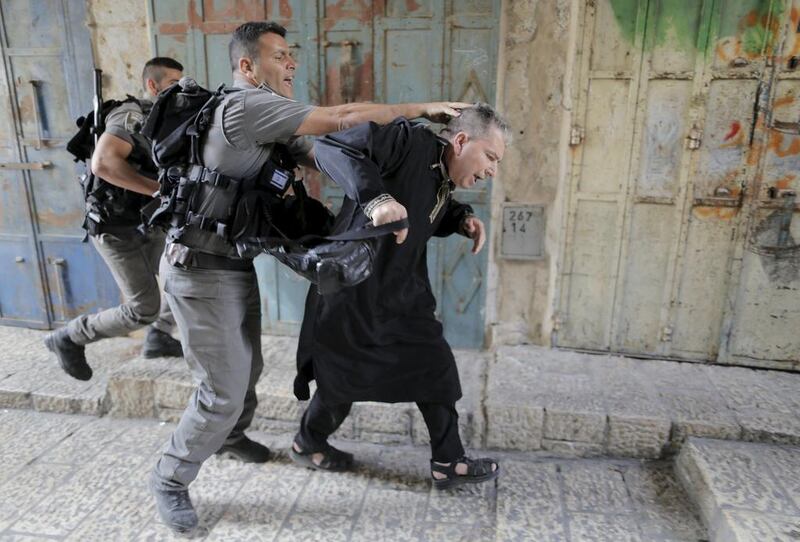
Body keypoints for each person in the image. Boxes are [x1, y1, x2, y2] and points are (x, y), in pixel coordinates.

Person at [149, 21, 469, 534]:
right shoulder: (247, 104)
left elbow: (333, 146)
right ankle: (170, 477)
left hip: (228, 266)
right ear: (247, 67)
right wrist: (417, 109)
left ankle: (227, 436)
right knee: (222, 391)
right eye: (279, 56)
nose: (291, 63)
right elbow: (340, 118)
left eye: (291, 54)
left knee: (243, 372)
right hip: (197, 270)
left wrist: (390, 186)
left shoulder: (271, 124)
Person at [291, 104, 509, 490]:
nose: (492, 169)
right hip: (354, 291)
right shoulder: (407, 141)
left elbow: (425, 207)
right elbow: (329, 147)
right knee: (342, 381)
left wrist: (460, 219)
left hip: (403, 293)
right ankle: (307, 441)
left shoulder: (443, 173)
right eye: (490, 156)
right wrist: (376, 200)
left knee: (436, 368)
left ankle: (448, 461)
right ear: (460, 141)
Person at [44, 57, 185, 382]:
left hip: (146, 223)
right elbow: (104, 163)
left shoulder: (161, 118)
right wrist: (157, 191)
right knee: (142, 308)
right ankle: (69, 336)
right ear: (153, 85)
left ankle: (160, 336)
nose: (180, 91)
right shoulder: (130, 114)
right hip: (115, 229)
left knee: (181, 277)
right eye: (173, 84)